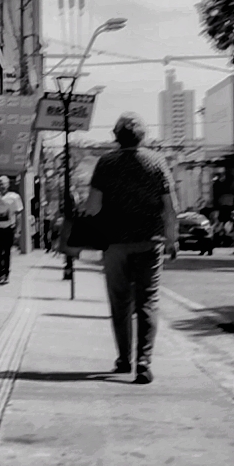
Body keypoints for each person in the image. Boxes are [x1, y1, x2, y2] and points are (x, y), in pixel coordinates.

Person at [84, 114, 178, 383]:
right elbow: (171, 207)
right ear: (143, 136)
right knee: (148, 301)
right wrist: (172, 239)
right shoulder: (157, 162)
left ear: (115, 136)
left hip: (114, 243)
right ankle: (144, 361)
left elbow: (94, 206)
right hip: (150, 241)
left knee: (120, 302)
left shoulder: (106, 162)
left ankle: (124, 358)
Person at [0, 175, 22, 284]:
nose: (2, 186)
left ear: (8, 184)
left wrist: (17, 230)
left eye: (3, 183)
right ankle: (0, 275)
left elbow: (18, 214)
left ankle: (6, 274)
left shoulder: (14, 197)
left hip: (8, 228)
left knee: (6, 252)